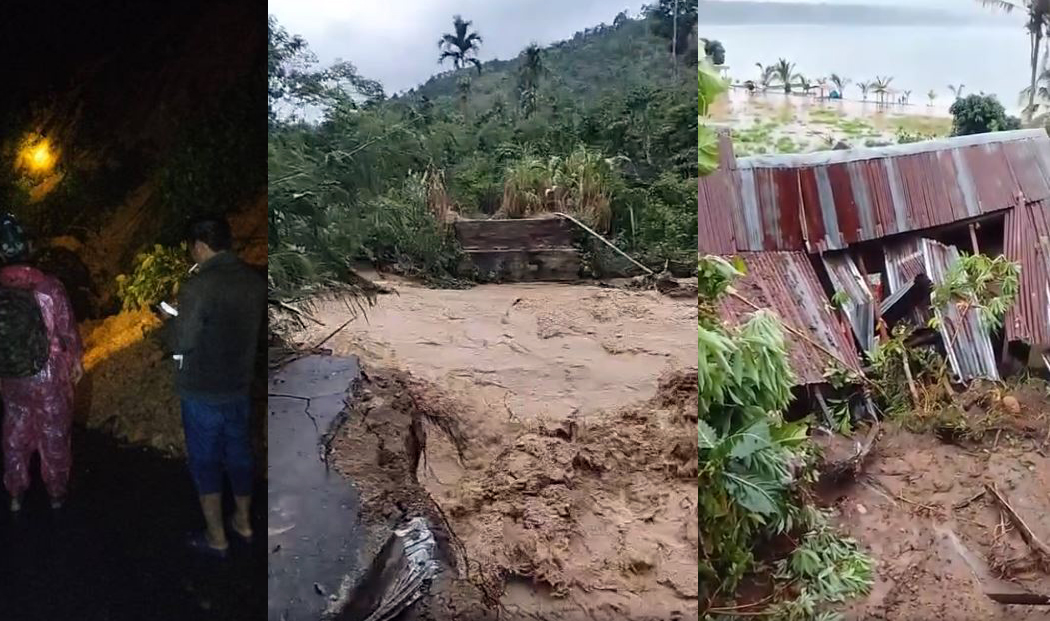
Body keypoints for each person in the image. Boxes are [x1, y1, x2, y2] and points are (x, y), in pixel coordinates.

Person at [163, 217, 265, 558]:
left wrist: (169, 322)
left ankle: (216, 536)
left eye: (192, 247)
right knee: (239, 456)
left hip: (202, 392)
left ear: (200, 245)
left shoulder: (198, 286)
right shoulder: (254, 281)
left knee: (205, 461)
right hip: (238, 387)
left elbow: (183, 342)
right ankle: (244, 522)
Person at [0, 212, 84, 511]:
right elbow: (66, 330)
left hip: (11, 374)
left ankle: (15, 494)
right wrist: (75, 362)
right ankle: (56, 493)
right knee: (53, 431)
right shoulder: (49, 287)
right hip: (48, 375)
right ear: (29, 248)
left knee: (15, 432)